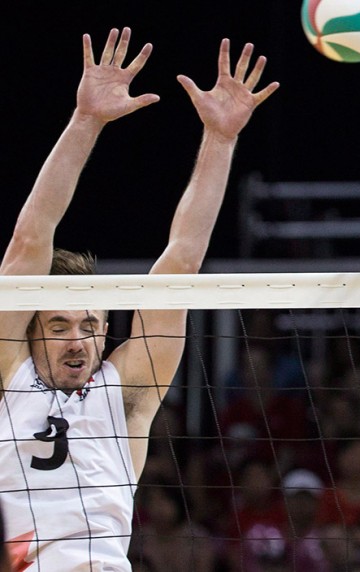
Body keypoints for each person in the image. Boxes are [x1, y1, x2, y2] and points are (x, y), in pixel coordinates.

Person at [0, 27, 278, 570]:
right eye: (58, 327)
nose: (78, 341)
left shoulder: (126, 392)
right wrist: (86, 122)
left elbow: (181, 260)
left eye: (89, 325)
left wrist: (220, 141)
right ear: (29, 331)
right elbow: (30, 241)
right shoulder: (8, 375)